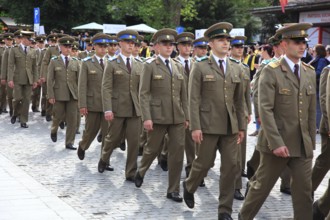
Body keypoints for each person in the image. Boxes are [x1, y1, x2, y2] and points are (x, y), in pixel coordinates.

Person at [238, 22, 316, 220]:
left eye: (304, 42)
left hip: (301, 144)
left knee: (304, 192)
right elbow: (265, 110)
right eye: (297, 42)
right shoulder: (271, 71)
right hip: (277, 143)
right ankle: (244, 216)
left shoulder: (308, 71)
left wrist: (310, 142)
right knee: (261, 188)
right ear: (284, 43)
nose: (302, 46)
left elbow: (310, 109)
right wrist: (276, 142)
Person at [183, 22, 245, 220]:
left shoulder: (236, 68)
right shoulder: (200, 66)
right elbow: (193, 99)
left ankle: (224, 210)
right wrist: (195, 126)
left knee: (231, 168)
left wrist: (242, 126)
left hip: (230, 126)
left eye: (228, 40)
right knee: (203, 163)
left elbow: (239, 100)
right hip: (208, 125)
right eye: (221, 40)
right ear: (210, 43)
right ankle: (189, 185)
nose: (226, 43)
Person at [135, 28, 188, 203]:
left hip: (177, 117)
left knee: (177, 154)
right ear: (157, 46)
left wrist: (186, 116)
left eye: (171, 44)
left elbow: (184, 95)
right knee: (152, 149)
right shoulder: (149, 65)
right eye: (165, 44)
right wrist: (146, 117)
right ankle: (141, 170)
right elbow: (143, 93)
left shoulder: (178, 66)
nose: (169, 47)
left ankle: (173, 189)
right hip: (157, 115)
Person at [98, 30, 143, 181]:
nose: (131, 46)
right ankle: (104, 157)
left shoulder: (139, 64)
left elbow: (142, 89)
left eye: (133, 43)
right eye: (128, 43)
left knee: (134, 141)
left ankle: (130, 172)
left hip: (134, 109)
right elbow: (106, 88)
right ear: (120, 44)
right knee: (113, 138)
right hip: (117, 108)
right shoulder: (112, 64)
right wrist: (108, 108)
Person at [77, 33, 112, 165]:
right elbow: (82, 85)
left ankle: (104, 160)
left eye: (105, 46)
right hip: (92, 103)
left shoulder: (113, 62)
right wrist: (82, 104)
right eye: (100, 46)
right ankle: (83, 145)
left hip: (108, 105)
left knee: (107, 134)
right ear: (94, 47)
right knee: (90, 131)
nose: (103, 49)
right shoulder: (87, 63)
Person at [47, 36, 80, 150]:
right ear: (60, 47)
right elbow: (50, 79)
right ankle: (54, 129)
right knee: (57, 116)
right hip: (59, 93)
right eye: (65, 46)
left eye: (70, 47)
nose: (68, 49)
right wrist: (50, 95)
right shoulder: (54, 61)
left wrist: (80, 95)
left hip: (73, 95)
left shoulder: (76, 61)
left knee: (72, 119)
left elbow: (80, 80)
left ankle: (69, 142)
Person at [230, 36, 251, 201]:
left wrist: (248, 111)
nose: (239, 49)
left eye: (241, 47)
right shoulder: (226, 66)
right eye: (236, 47)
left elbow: (246, 95)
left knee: (239, 153)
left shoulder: (244, 67)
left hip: (239, 113)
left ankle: (237, 185)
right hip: (219, 115)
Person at [7, 31, 38, 128]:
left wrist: (35, 80)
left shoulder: (33, 51)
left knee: (26, 100)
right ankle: (16, 113)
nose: (30, 42)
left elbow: (35, 67)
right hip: (17, 78)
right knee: (17, 98)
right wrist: (10, 79)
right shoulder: (14, 50)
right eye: (29, 40)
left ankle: (23, 120)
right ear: (24, 39)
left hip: (29, 79)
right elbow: (11, 65)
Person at [312, 64, 330, 193]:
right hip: (328, 124)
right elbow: (324, 99)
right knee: (325, 160)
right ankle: (307, 191)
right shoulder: (327, 69)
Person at [40, 33, 61, 122]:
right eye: (53, 41)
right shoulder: (51, 49)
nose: (55, 42)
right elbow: (45, 62)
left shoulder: (68, 50)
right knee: (49, 94)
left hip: (60, 76)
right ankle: (48, 112)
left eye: (56, 41)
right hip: (51, 75)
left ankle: (59, 114)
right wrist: (44, 75)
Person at [310, 44, 329, 132]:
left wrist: (309, 75)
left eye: (314, 51)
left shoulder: (321, 60)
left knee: (318, 108)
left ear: (317, 51)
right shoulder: (318, 60)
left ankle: (318, 127)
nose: (312, 52)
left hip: (318, 87)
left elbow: (319, 73)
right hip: (315, 86)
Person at [0, 33, 14, 115]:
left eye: (10, 40)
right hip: (2, 73)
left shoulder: (15, 49)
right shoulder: (2, 49)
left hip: (11, 75)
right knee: (1, 92)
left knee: (9, 93)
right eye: (7, 40)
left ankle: (7, 108)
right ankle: (1, 107)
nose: (9, 41)